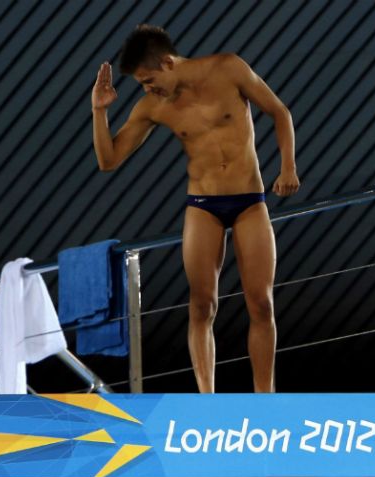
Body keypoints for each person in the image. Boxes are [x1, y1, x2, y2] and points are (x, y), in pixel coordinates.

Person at [91, 25, 299, 392]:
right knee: (201, 306)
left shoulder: (229, 68)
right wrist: (99, 112)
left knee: (261, 304)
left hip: (249, 201)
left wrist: (288, 167)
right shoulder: (153, 106)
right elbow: (108, 161)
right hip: (202, 205)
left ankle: (265, 400)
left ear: (169, 63)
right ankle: (208, 401)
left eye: (148, 79)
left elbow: (279, 112)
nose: (147, 89)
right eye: (141, 84)